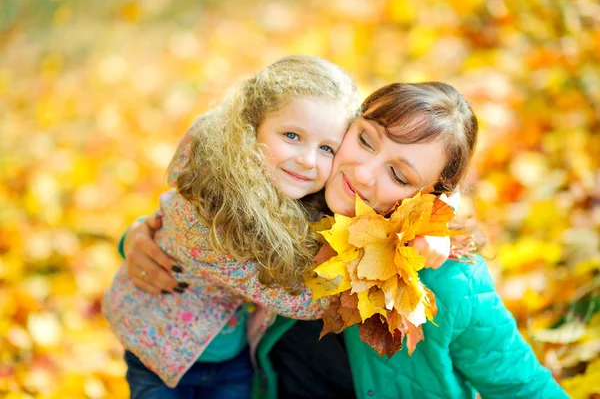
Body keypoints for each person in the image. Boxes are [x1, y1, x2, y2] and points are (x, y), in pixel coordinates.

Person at [122, 81, 569, 398]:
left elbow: (521, 386)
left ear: (430, 198)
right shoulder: (301, 189)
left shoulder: (449, 280)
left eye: (398, 175)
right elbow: (205, 215)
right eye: (366, 140)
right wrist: (140, 235)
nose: (363, 172)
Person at [102, 55, 360, 398]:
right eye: (292, 135)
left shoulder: (281, 184)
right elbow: (300, 301)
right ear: (250, 128)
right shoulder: (213, 213)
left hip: (229, 350)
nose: (307, 159)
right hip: (161, 351)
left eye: (327, 147)